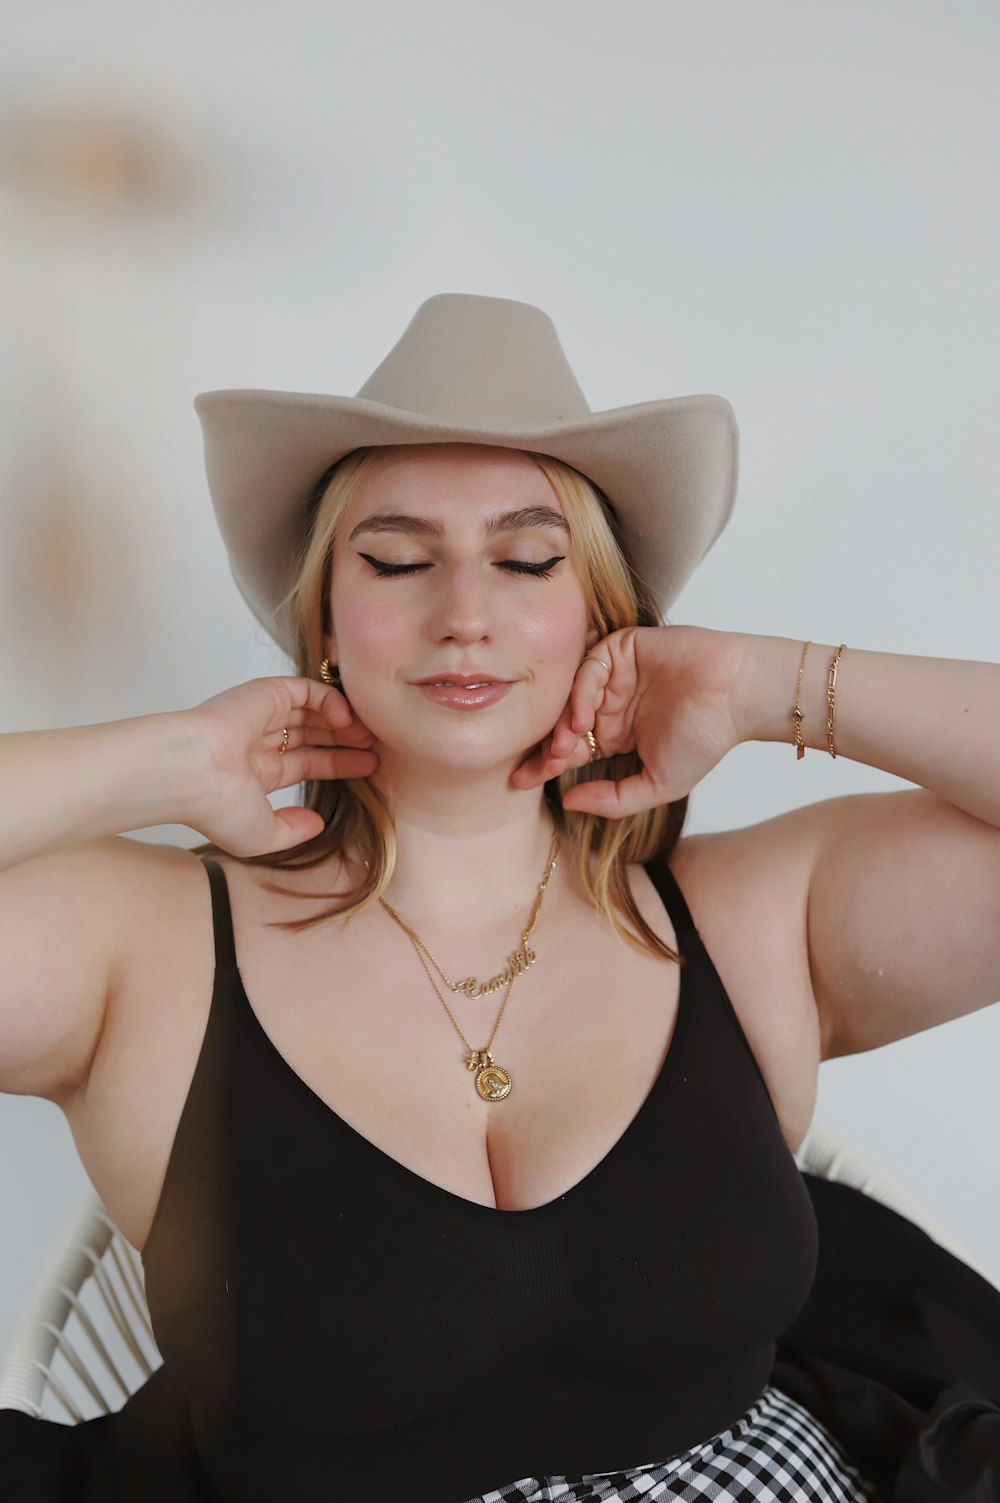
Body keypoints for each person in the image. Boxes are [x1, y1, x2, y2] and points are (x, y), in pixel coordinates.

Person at [1, 292, 999, 1501]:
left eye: (527, 560)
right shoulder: (143, 950)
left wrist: (758, 684)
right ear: (323, 616)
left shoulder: (749, 923)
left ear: (600, 614)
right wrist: (168, 762)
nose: (464, 614)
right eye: (398, 559)